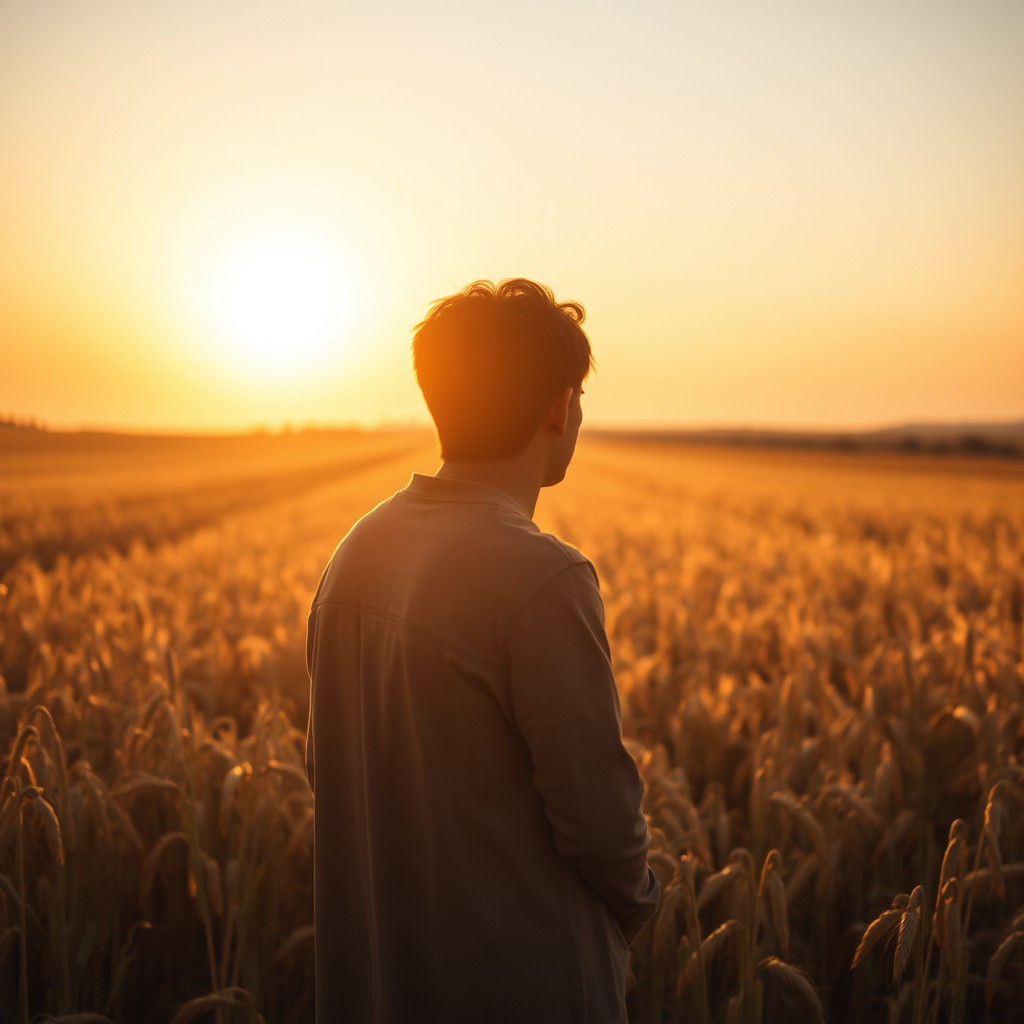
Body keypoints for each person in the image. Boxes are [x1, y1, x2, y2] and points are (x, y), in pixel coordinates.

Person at [304, 278, 660, 1024]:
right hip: (523, 985)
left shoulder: (355, 553)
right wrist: (644, 907)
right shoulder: (543, 576)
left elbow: (329, 770)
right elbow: (599, 822)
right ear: (558, 407)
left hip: (381, 982)